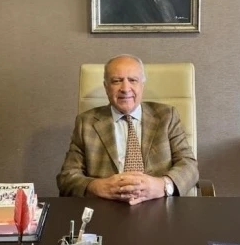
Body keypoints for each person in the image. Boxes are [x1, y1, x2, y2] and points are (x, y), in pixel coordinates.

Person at [56, 54, 199, 205]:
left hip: (159, 205)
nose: (125, 88)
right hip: (106, 207)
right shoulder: (86, 122)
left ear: (142, 85)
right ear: (106, 87)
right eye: (117, 81)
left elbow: (189, 165)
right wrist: (97, 187)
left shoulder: (166, 116)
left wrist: (163, 185)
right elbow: (67, 177)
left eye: (132, 80)